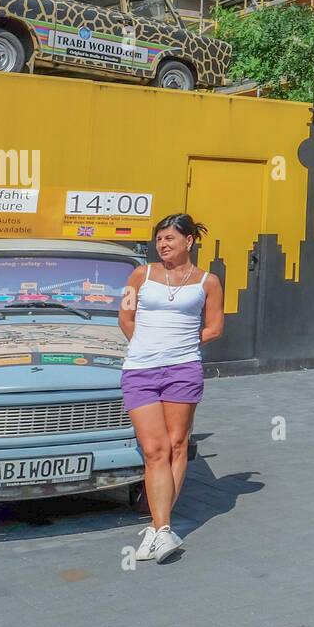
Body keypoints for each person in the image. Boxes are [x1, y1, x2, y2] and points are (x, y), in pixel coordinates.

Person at [118, 214, 224, 562]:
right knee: (154, 449)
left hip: (183, 370)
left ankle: (159, 527)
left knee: (178, 444)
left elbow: (214, 328)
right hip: (140, 371)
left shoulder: (208, 282)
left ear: (189, 241)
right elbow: (125, 317)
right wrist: (145, 347)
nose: (163, 245)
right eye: (159, 239)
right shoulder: (140, 275)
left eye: (170, 239)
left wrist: (180, 347)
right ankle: (161, 529)